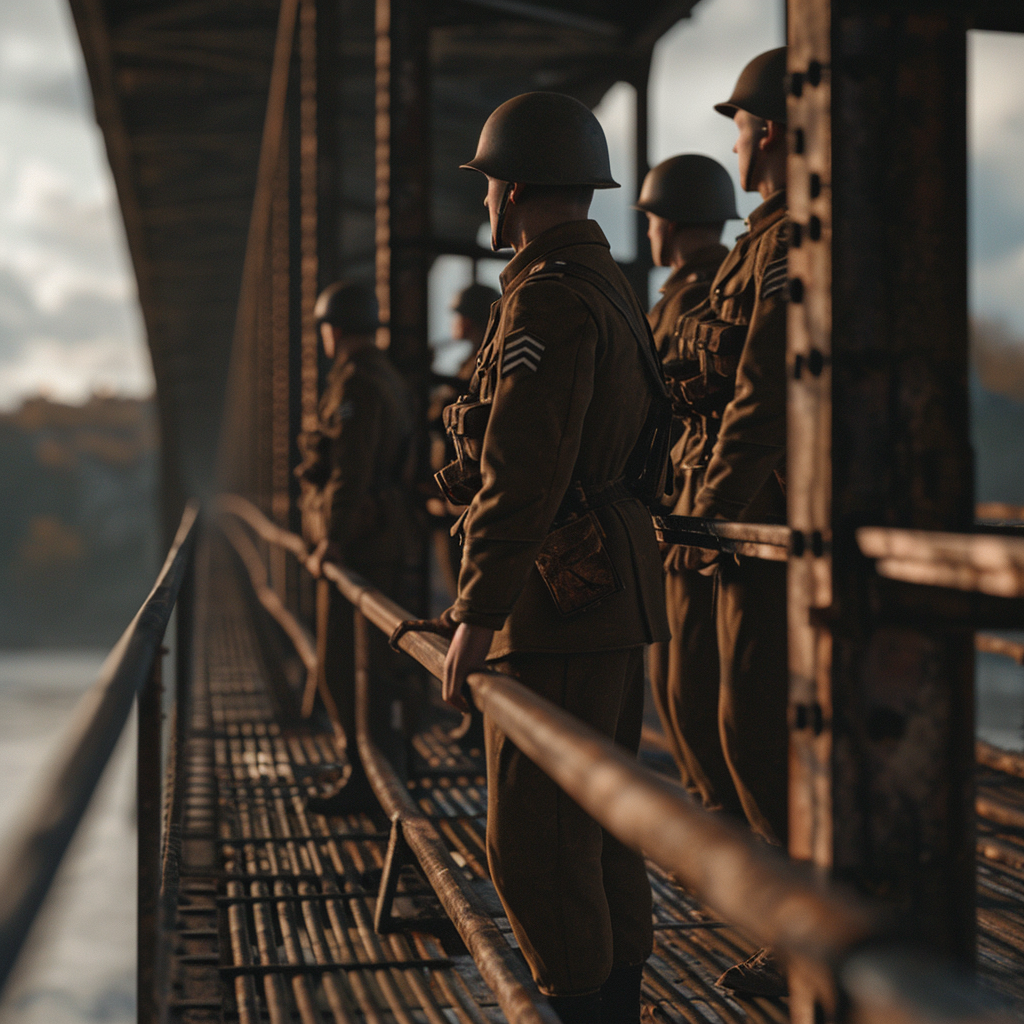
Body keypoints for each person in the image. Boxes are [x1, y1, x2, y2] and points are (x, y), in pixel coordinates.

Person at [434, 92, 670, 1023]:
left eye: (488, 185)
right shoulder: (606, 283)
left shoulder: (547, 300)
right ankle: (615, 1002)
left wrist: (474, 615)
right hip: (608, 589)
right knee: (604, 827)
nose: (483, 203)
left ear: (516, 186)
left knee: (535, 842)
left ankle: (582, 1010)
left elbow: (524, 475)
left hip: (559, 602)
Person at [673, 47, 790, 997]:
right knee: (730, 720)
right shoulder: (761, 240)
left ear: (774, 134)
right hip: (745, 522)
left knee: (756, 730)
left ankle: (805, 933)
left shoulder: (791, 246)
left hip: (766, 524)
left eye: (741, 125)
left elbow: (759, 400)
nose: (736, 141)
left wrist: (706, 518)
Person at [635, 154, 745, 816]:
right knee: (684, 688)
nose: (648, 233)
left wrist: (703, 512)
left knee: (696, 691)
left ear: (669, 223)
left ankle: (730, 841)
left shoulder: (698, 298)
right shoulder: (685, 296)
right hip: (683, 508)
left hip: (696, 512)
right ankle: (716, 824)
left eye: (651, 221)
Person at [295, 280, 418, 809]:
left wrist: (333, 539)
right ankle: (382, 767)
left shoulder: (357, 385)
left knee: (344, 668)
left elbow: (351, 469)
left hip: (362, 543)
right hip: (383, 536)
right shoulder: (386, 377)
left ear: (334, 329)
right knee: (372, 667)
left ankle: (367, 778)